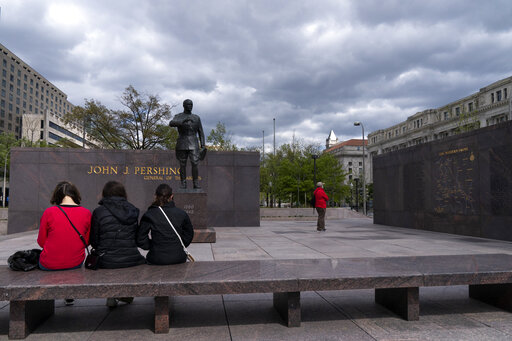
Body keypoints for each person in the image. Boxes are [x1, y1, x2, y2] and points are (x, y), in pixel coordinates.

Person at [90, 181, 146, 307]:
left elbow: (94, 241)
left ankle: (113, 294)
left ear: (105, 193)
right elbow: (135, 237)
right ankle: (122, 295)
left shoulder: (99, 212)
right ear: (123, 193)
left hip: (106, 259)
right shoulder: (133, 210)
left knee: (111, 261)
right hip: (132, 258)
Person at [37, 181, 91, 305]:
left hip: (48, 264)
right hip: (75, 262)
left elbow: (41, 242)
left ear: (56, 196)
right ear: (75, 195)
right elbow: (86, 241)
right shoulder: (86, 213)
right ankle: (68, 294)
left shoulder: (49, 212)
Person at [137, 184, 194, 264]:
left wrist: (153, 246)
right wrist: (178, 245)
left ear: (155, 196)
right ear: (171, 196)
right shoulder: (181, 213)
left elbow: (140, 238)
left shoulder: (149, 214)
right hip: (178, 257)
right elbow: (189, 234)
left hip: (156, 258)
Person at [168, 99, 205, 189]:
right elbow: (171, 123)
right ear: (184, 106)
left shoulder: (196, 118)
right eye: (188, 104)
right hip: (182, 142)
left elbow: (201, 132)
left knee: (195, 163)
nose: (190, 106)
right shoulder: (179, 116)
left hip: (193, 143)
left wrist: (203, 145)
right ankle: (183, 183)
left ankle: (195, 183)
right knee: (182, 164)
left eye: (191, 104)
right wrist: (182, 121)